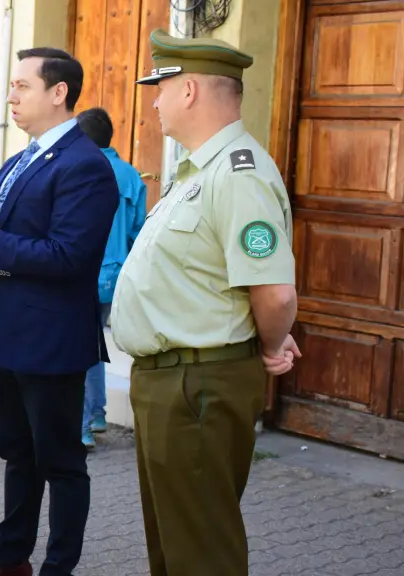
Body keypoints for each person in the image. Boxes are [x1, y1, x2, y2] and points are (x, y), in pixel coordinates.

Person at [110, 30, 300, 576]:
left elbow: (275, 291)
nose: (154, 101)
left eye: (160, 87)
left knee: (201, 554)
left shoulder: (237, 173)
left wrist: (269, 345)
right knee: (174, 547)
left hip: (197, 384)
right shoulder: (201, 169)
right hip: (174, 381)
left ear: (188, 90)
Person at [0, 47, 119, 576]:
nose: (11, 95)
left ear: (58, 93)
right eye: (12, 85)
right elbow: (8, 248)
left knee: (61, 463)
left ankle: (58, 566)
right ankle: (10, 557)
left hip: (49, 342)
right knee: (17, 453)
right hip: (6, 337)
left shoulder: (85, 166)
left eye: (22, 86)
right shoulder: (18, 160)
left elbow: (70, 257)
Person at [74, 107, 147, 450]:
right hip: (117, 277)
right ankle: (98, 413)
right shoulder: (131, 175)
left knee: (78, 350)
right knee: (92, 345)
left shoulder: (78, 170)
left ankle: (83, 428)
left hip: (84, 274)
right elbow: (138, 232)